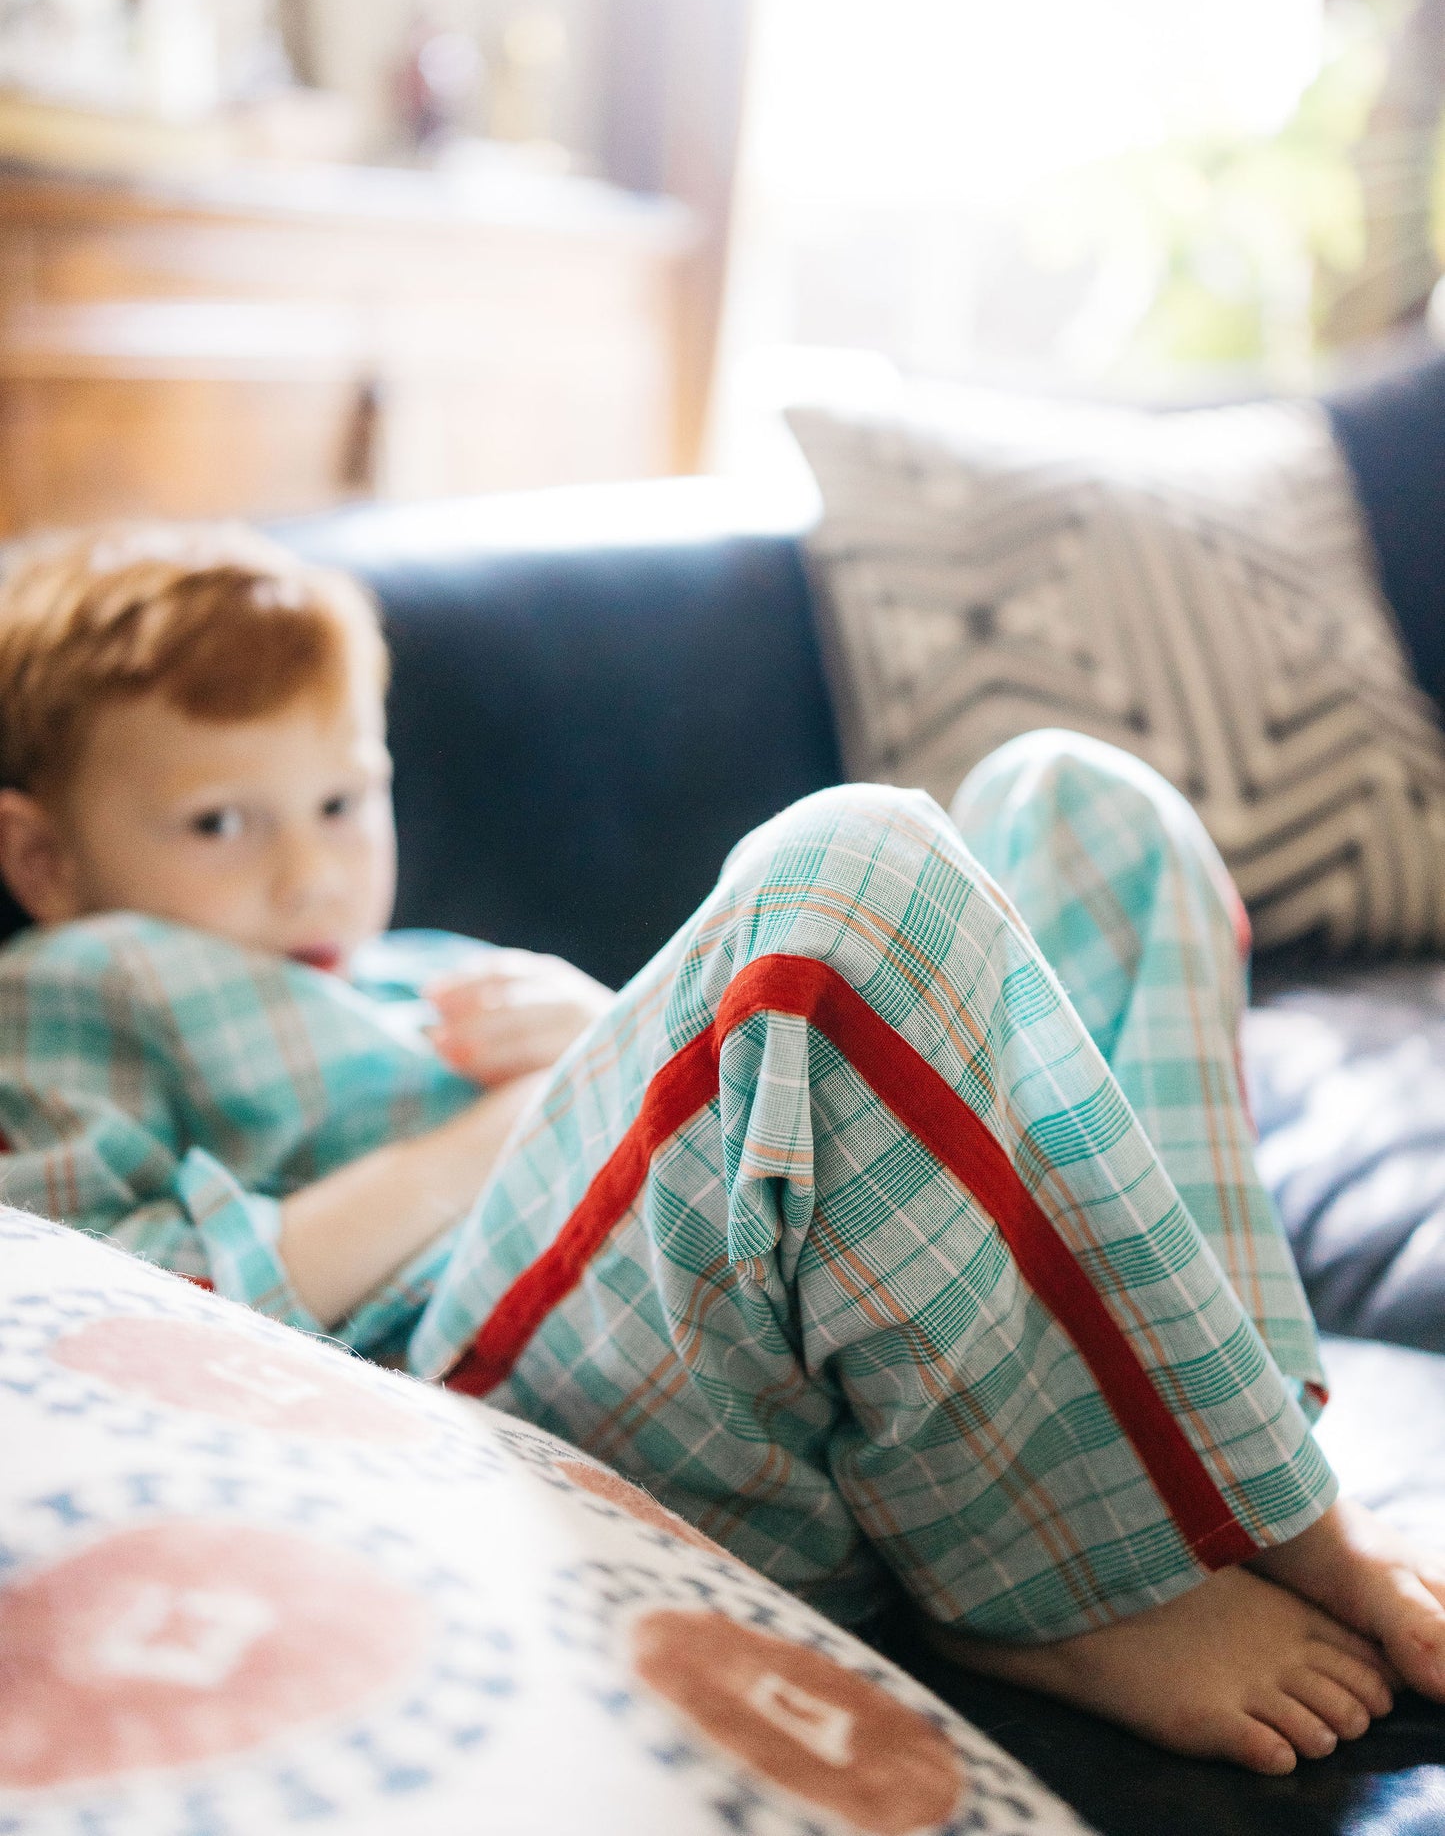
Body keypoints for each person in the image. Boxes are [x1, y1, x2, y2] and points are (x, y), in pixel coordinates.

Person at [0, 520, 1441, 1779]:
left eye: (340, 800)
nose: (308, 871)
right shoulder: (77, 985)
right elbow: (109, 1309)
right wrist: (505, 1125)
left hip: (686, 1335)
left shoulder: (408, 964)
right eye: (217, 822)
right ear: (44, 860)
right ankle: (1077, 1582)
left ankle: (1231, 1464)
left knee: (1081, 805)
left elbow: (708, 1119)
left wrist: (597, 1033)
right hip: (472, 1396)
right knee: (852, 868)